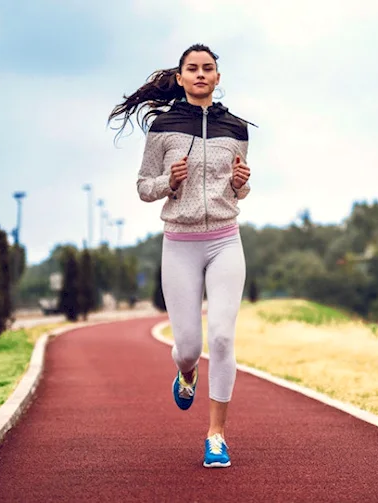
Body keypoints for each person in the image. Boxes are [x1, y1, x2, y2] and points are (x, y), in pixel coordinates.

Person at [107, 43, 253, 469]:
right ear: (182, 76)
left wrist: (242, 183)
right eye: (193, 69)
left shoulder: (237, 128)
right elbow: (143, 186)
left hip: (226, 239)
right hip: (180, 242)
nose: (201, 74)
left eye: (208, 68)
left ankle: (216, 436)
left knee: (223, 337)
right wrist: (169, 182)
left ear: (217, 77)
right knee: (189, 346)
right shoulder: (164, 128)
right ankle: (186, 373)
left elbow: (239, 188)